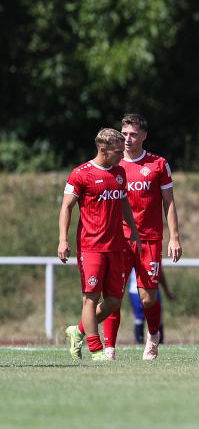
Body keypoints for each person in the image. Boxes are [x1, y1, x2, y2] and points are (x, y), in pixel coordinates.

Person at [101, 113, 182, 360]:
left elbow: (169, 202)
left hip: (149, 239)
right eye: (124, 134)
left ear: (144, 136)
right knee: (113, 296)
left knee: (148, 299)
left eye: (133, 134)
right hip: (119, 239)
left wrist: (174, 237)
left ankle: (153, 335)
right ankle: (110, 348)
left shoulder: (158, 164)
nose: (127, 139)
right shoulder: (112, 165)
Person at [60, 128, 141, 362]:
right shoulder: (80, 174)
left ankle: (78, 330)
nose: (121, 155)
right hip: (90, 246)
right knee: (90, 298)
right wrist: (63, 239)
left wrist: (133, 230)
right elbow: (66, 207)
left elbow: (124, 202)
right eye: (118, 151)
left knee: (115, 301)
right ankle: (96, 350)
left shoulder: (120, 173)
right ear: (103, 149)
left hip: (116, 246)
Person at [128, 268, 174, 344]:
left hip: (152, 289)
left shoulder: (155, 256)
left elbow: (159, 271)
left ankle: (157, 344)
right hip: (136, 290)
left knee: (156, 318)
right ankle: (140, 344)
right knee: (139, 319)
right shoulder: (131, 255)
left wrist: (166, 291)